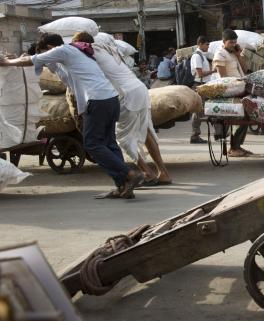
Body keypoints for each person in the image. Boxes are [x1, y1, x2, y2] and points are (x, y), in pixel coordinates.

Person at [0, 32, 143, 199]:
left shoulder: (63, 50)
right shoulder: (74, 55)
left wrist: (7, 62)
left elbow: (32, 61)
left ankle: (129, 174)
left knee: (93, 144)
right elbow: (43, 64)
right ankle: (122, 186)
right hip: (110, 99)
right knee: (109, 143)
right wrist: (22, 58)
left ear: (49, 48)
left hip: (97, 100)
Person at [73, 32, 172, 187]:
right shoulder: (112, 51)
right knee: (146, 132)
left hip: (127, 95)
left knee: (122, 138)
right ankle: (163, 172)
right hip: (140, 89)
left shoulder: (89, 55)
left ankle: (147, 173)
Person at [212, 29, 253, 157]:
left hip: (240, 89)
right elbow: (223, 78)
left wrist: (238, 54)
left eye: (235, 42)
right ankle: (234, 147)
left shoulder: (233, 53)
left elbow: (245, 69)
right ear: (224, 42)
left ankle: (237, 146)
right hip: (230, 92)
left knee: (246, 118)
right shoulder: (220, 54)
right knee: (241, 118)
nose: (233, 44)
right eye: (231, 42)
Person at [190, 36, 212, 144]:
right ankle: (195, 135)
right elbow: (200, 74)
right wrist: (213, 71)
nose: (208, 46)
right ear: (200, 44)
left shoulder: (202, 56)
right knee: (198, 110)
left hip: (205, 84)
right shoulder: (197, 56)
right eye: (207, 44)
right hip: (200, 85)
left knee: (203, 110)